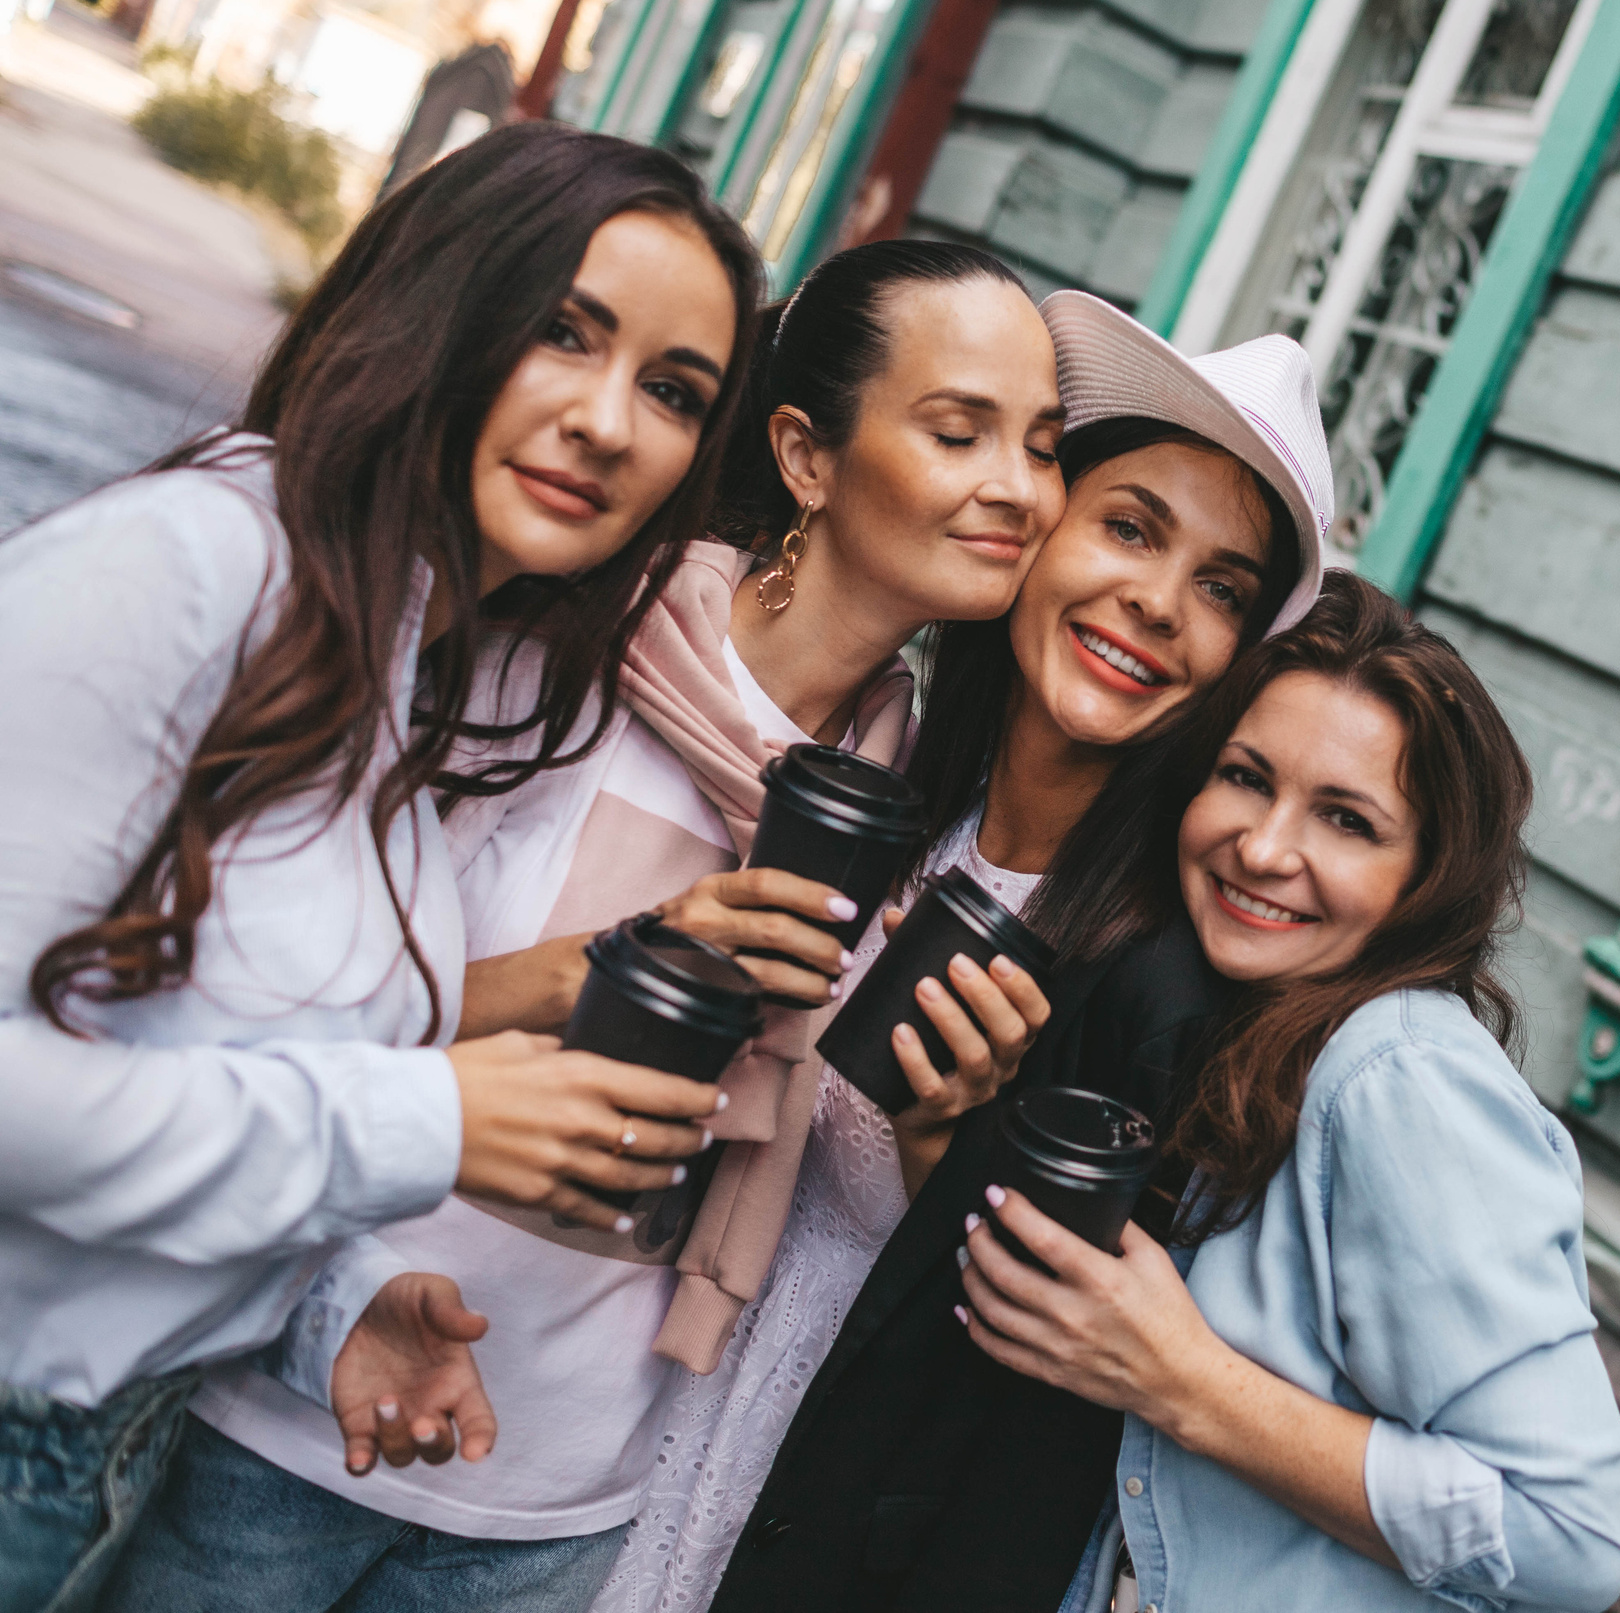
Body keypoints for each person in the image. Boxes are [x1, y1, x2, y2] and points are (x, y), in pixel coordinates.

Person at [100, 241, 1068, 1613]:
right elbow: (290, 1003)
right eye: (960, 431)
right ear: (805, 453)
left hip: (560, 1503)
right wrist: (626, 960)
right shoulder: (567, 650)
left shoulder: (912, 790)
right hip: (294, 1417)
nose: (1018, 491)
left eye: (1040, 446)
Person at [0, 122, 763, 1613]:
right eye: (564, 333)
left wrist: (324, 1305)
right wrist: (427, 1115)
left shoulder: (399, 678)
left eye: (674, 392)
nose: (610, 422)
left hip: (104, 1456)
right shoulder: (194, 565)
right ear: (441, 305)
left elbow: (183, 1067)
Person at [680, 293, 1333, 1613]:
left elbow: (1034, 1414)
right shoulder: (891, 767)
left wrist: (953, 1139)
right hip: (640, 1402)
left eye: (1221, 587)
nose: (1157, 604)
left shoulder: (1157, 982)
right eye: (1132, 527)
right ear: (1040, 529)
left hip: (810, 1511)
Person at [955, 573, 1620, 1613]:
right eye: (1244, 776)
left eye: (1347, 820)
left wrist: (1184, 1381)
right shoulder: (1251, 1027)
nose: (1265, 848)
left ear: (1425, 877)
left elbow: (1573, 1532)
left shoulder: (1396, 1075)